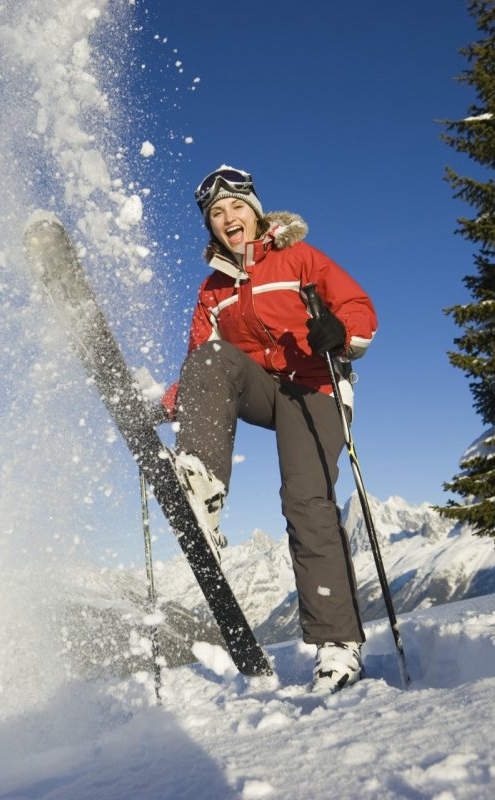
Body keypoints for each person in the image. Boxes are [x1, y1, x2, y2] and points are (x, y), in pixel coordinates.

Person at [162, 165, 377, 693]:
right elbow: (200, 363)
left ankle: (338, 645)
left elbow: (358, 307)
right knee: (213, 358)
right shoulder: (213, 289)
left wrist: (339, 331)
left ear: (255, 212)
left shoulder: (298, 258)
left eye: (235, 206)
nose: (227, 218)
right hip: (265, 391)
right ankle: (201, 486)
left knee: (306, 500)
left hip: (317, 386)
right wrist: (164, 406)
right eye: (216, 213)